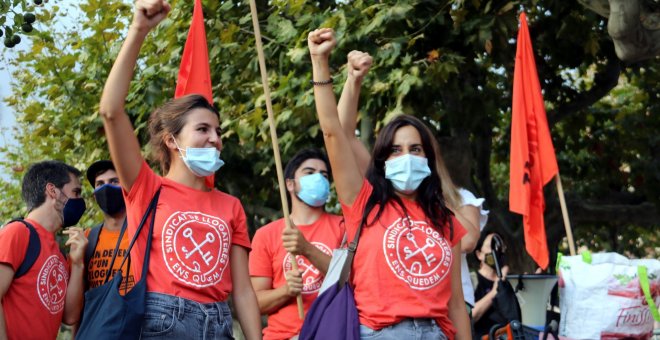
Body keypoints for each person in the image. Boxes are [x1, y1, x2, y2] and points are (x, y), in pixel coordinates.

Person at [97, 0, 261, 338]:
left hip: (218, 324)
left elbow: (243, 291)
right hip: (162, 322)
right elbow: (112, 111)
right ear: (172, 141)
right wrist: (138, 31)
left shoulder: (231, 206)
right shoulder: (145, 187)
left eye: (218, 131)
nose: (215, 139)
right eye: (202, 130)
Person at [308, 28, 471, 339]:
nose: (406, 157)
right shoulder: (364, 203)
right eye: (395, 150)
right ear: (382, 160)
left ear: (429, 159)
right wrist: (321, 62)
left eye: (415, 149)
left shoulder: (447, 221)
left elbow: (457, 306)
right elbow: (334, 133)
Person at [249, 148, 344, 339]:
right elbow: (254, 304)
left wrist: (307, 249)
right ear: (290, 184)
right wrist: (286, 291)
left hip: (332, 333)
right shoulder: (265, 235)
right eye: (309, 173)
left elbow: (351, 280)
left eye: (324, 175)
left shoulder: (344, 227)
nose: (319, 179)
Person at [0, 160, 88, 339]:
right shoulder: (18, 232)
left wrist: (77, 263)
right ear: (53, 190)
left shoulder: (60, 253)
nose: (80, 201)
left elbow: (69, 317)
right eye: (76, 192)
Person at [82, 160, 133, 292]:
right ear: (94, 195)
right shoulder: (86, 239)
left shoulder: (145, 232)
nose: (106, 188)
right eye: (100, 184)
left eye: (114, 181)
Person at [472, 232, 512, 337]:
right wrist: (495, 291)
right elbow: (469, 316)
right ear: (479, 254)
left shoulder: (509, 280)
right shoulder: (472, 280)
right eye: (492, 247)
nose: (497, 251)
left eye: (500, 246)